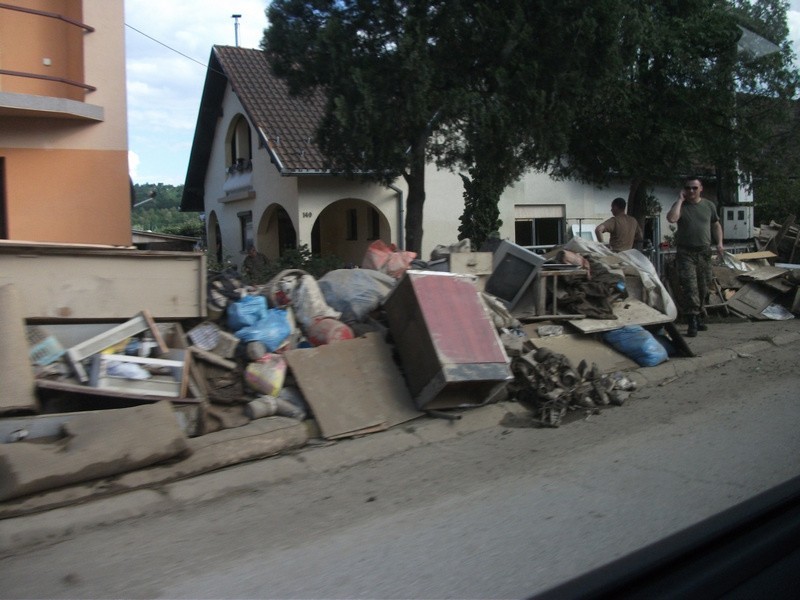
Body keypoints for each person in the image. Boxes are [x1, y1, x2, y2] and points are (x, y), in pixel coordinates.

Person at [666, 176, 724, 337]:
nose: (691, 191)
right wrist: (679, 200)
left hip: (704, 251)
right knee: (690, 286)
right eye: (688, 188)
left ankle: (698, 317)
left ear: (701, 189)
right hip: (686, 252)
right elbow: (672, 219)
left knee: (703, 286)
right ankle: (691, 320)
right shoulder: (681, 205)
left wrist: (719, 242)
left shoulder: (708, 205)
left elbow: (716, 224)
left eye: (694, 188)